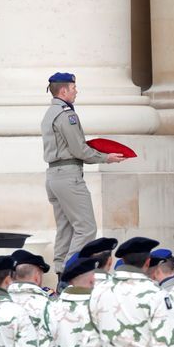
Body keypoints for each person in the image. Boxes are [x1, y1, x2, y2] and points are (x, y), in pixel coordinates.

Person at [41, 72, 127, 275]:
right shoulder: (66, 114)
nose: (76, 92)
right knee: (86, 228)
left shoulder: (49, 113)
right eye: (73, 88)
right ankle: (72, 271)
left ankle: (61, 271)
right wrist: (106, 157)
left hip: (54, 175)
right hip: (68, 175)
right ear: (63, 90)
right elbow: (79, 149)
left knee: (66, 228)